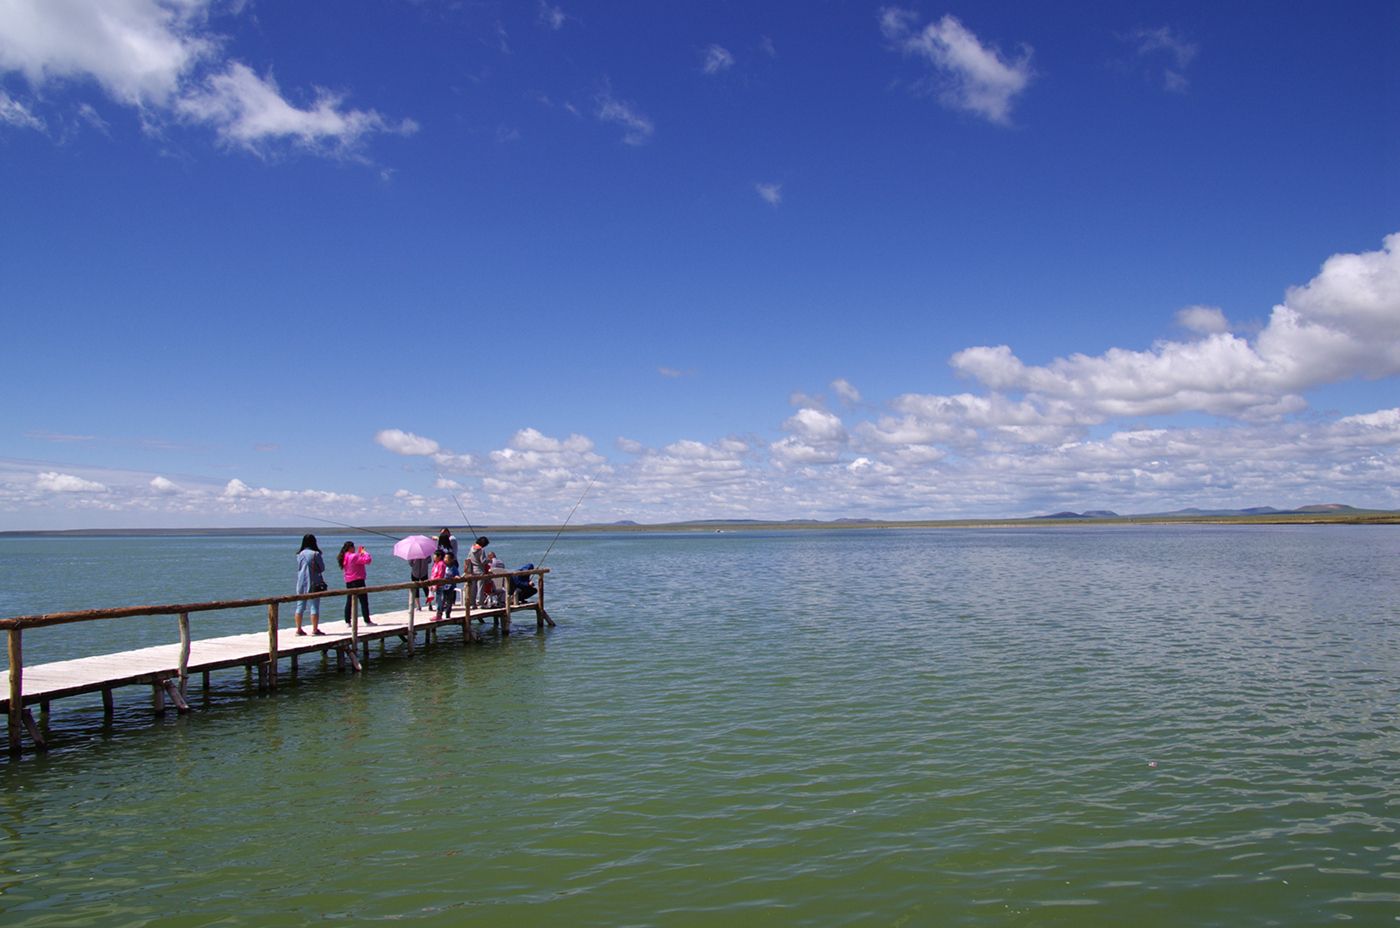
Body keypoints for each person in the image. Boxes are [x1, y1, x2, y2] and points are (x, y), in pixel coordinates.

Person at [294, 534, 327, 636]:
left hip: (301, 583)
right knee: (314, 606)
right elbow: (322, 568)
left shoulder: (299, 554)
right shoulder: (315, 554)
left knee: (300, 606)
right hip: (314, 582)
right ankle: (315, 629)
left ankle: (298, 629)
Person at [338, 540, 375, 626]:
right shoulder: (354, 556)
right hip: (358, 581)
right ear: (350, 548)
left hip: (349, 582)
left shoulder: (345, 556)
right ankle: (367, 621)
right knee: (364, 601)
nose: (354, 549)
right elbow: (368, 560)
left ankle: (347, 621)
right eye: (353, 547)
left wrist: (360, 553)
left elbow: (359, 560)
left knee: (349, 602)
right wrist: (364, 552)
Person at [436, 554, 461, 620]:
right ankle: (439, 613)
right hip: (442, 585)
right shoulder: (442, 565)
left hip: (450, 586)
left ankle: (447, 613)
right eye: (445, 558)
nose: (445, 559)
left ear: (451, 560)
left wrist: (456, 577)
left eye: (447, 558)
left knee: (449, 600)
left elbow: (457, 575)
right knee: (441, 600)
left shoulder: (453, 567)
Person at [466, 535, 489, 607]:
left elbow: (468, 558)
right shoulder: (482, 550)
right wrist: (489, 560)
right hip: (480, 571)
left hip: (473, 571)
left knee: (473, 588)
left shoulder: (471, 548)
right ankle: (480, 603)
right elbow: (483, 561)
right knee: (480, 588)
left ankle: (473, 603)